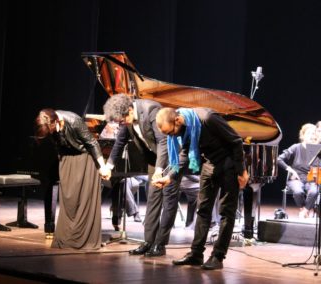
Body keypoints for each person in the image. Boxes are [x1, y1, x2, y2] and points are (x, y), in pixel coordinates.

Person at [153, 107, 249, 270]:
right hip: (209, 164)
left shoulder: (208, 118)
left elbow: (236, 141)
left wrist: (241, 171)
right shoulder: (184, 127)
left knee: (226, 212)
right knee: (203, 209)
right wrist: (169, 177)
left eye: (171, 133)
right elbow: (184, 153)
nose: (171, 137)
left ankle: (218, 256)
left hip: (229, 165)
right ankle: (196, 254)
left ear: (177, 120)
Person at [102, 94, 180, 257]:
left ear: (130, 111)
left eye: (122, 121)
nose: (121, 124)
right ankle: (148, 242)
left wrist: (160, 169)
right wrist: (109, 166)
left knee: (168, 201)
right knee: (153, 199)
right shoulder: (126, 117)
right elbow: (119, 142)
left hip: (170, 159)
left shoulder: (151, 110)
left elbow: (163, 142)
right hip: (154, 160)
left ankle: (160, 244)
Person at [34, 108, 108, 250]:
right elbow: (58, 144)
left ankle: (85, 238)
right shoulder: (48, 123)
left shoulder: (74, 121)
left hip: (85, 159)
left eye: (52, 129)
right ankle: (67, 237)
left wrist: (102, 166)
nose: (52, 133)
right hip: (67, 160)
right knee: (69, 200)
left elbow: (92, 143)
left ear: (56, 121)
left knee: (84, 199)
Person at [277, 123, 318, 219]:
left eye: (314, 134)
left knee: (314, 191)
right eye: (310, 133)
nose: (312, 136)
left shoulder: (317, 149)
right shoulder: (296, 147)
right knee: (298, 192)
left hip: (311, 180)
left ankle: (304, 211)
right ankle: (303, 210)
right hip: (296, 178)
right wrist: (290, 170)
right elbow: (279, 159)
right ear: (303, 135)